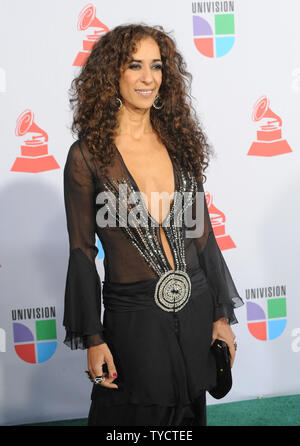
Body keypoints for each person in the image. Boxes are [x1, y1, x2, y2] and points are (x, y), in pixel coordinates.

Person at [63, 23, 244, 426]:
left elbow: (203, 239)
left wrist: (219, 317)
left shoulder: (179, 143)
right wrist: (94, 338)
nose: (149, 78)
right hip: (134, 321)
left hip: (195, 309)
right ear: (113, 74)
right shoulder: (87, 156)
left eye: (157, 66)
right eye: (135, 66)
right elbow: (81, 252)